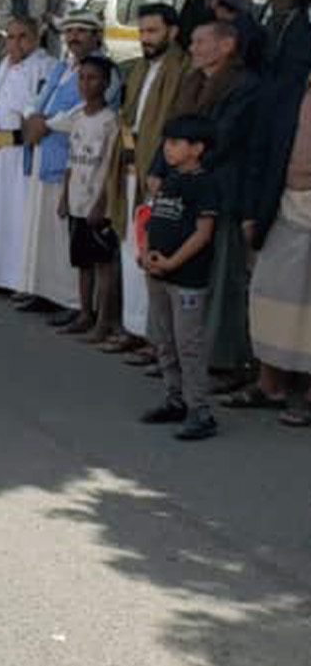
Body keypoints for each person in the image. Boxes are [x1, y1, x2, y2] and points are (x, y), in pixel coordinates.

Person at [154, 20, 260, 384]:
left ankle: (219, 360)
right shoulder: (192, 82)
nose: (193, 48)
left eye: (201, 41)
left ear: (227, 45)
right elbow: (171, 130)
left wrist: (187, 171)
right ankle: (178, 355)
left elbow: (222, 139)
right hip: (181, 188)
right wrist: (162, 169)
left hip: (217, 190)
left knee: (218, 279)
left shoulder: (244, 86)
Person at [16, 13, 114, 318]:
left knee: (66, 237)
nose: (73, 37)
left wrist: (45, 125)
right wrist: (33, 116)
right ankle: (44, 291)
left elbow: (86, 108)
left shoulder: (104, 69)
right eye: (69, 31)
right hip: (45, 151)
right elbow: (38, 99)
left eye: (81, 32)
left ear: (96, 36)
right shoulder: (62, 66)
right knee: (42, 230)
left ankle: (73, 301)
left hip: (74, 160)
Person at [108, 4, 191, 360]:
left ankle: (158, 340)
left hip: (159, 173)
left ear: (172, 32)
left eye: (153, 32)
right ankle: (135, 328)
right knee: (131, 250)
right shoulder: (140, 67)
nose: (145, 39)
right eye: (142, 32)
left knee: (152, 250)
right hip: (130, 166)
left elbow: (176, 124)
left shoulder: (182, 69)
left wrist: (160, 167)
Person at [138, 114, 222, 440]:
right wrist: (146, 252)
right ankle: (175, 398)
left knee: (189, 343)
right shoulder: (170, 180)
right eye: (166, 142)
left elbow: (203, 233)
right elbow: (151, 218)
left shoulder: (204, 184)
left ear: (197, 148)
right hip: (156, 272)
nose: (167, 149)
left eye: (175, 143)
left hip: (186, 277)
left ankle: (199, 409)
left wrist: (173, 262)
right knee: (165, 340)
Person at [245, 55, 311, 423]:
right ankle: (269, 383)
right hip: (282, 205)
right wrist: (253, 212)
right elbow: (263, 150)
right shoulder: (289, 93)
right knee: (269, 295)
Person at [0, 16, 52, 294]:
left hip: (23, 154)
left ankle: (20, 280)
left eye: (22, 36)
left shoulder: (44, 66)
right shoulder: (5, 66)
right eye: (10, 37)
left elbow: (38, 113)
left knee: (19, 216)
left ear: (35, 38)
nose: (15, 43)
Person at [53, 56, 122, 341]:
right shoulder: (77, 116)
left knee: (103, 265)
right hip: (77, 200)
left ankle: (104, 321)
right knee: (82, 263)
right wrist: (64, 196)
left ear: (106, 83)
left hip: (98, 205)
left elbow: (111, 166)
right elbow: (72, 159)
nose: (85, 84)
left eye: (92, 78)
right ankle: (85, 313)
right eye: (81, 78)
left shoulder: (111, 122)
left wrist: (102, 203)